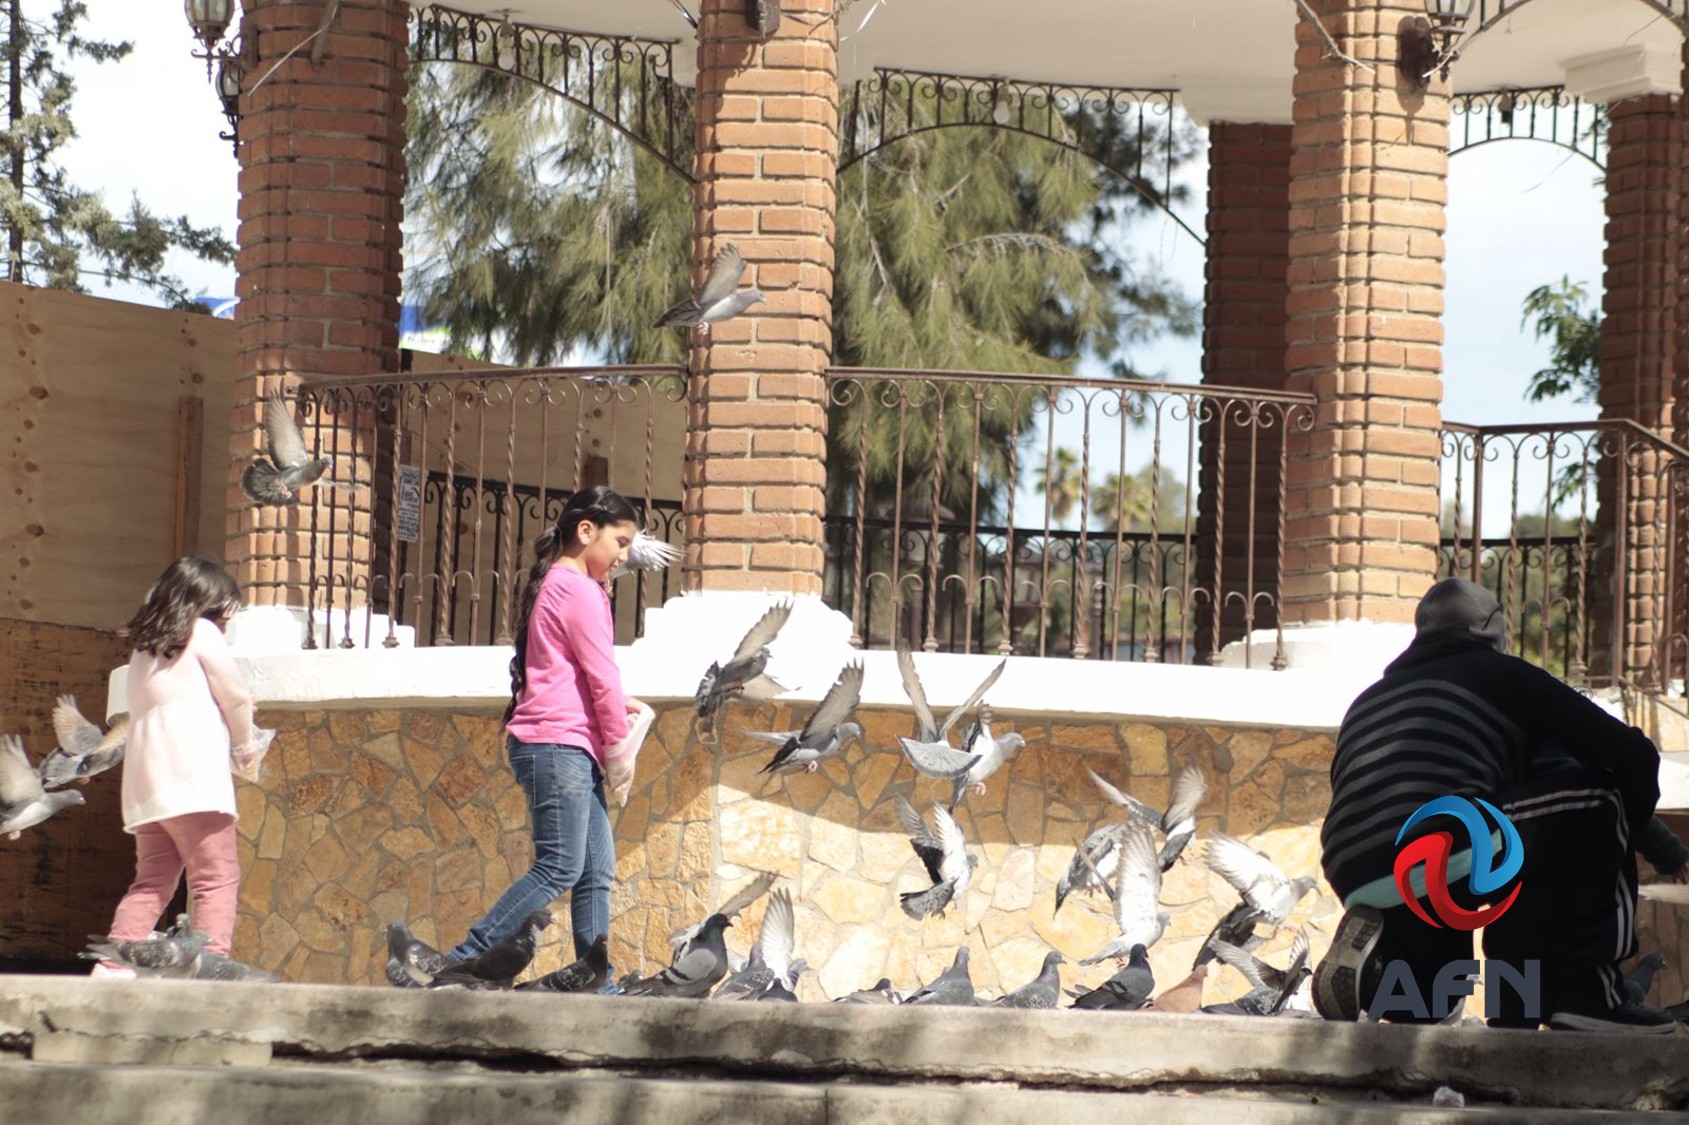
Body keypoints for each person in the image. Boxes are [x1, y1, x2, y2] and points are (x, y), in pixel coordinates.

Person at [1313, 577, 1671, 1032]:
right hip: (1447, 845)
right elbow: (1631, 758)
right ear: (1490, 628)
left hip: (1358, 871)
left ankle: (1380, 979)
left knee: (1430, 1005)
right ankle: (1588, 995)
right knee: (1598, 799)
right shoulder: (1502, 675)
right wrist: (1648, 838)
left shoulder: (1368, 700)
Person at [428, 485, 644, 975]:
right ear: (586, 531)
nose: (625, 557)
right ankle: (461, 960)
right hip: (557, 746)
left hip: (559, 744)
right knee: (562, 865)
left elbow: (566, 672)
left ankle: (597, 982)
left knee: (594, 872)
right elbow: (603, 678)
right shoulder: (582, 591)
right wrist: (618, 752)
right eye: (622, 542)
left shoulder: (558, 583)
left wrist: (608, 721)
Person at [94, 557, 259, 978]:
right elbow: (236, 697)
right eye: (224, 608)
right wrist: (246, 747)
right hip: (193, 777)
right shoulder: (201, 632)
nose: (225, 618)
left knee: (151, 882)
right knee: (216, 878)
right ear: (205, 602)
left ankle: (113, 966)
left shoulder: (142, 650)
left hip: (147, 787)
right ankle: (211, 966)